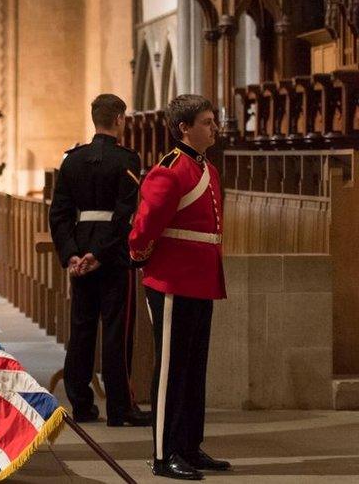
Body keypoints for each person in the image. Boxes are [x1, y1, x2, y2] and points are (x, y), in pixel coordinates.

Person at [129, 94, 231, 480]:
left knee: (193, 368)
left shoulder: (208, 169)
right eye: (207, 121)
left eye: (213, 120)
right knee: (171, 369)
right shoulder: (170, 169)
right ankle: (163, 454)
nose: (214, 127)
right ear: (184, 128)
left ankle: (189, 446)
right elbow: (145, 226)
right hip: (172, 279)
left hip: (202, 278)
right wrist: (139, 256)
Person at [49, 94, 150, 427]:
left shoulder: (72, 160)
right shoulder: (126, 160)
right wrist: (101, 254)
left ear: (94, 118)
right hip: (113, 254)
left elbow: (60, 213)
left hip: (81, 246)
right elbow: (125, 215)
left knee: (81, 328)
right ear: (119, 119)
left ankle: (81, 404)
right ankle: (120, 408)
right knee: (116, 332)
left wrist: (72, 254)